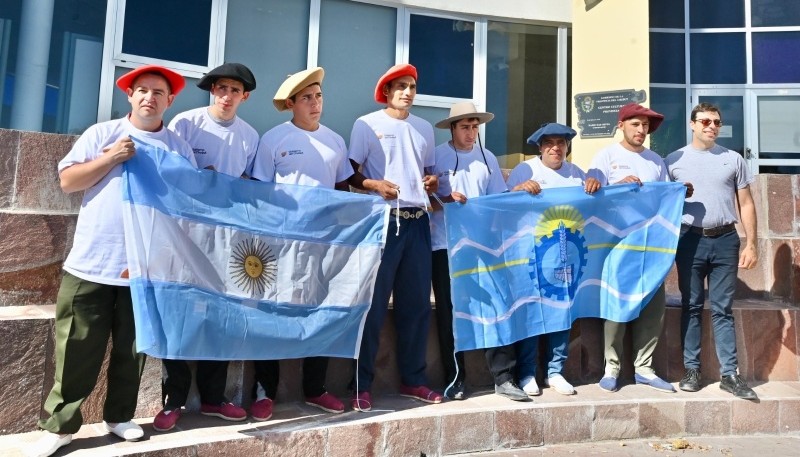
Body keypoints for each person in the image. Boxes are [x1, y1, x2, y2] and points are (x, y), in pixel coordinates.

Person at [30, 65, 197, 457]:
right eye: (142, 90)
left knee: (132, 349)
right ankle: (60, 425)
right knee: (76, 346)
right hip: (92, 262)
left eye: (158, 92)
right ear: (130, 95)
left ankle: (120, 416)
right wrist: (111, 158)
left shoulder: (178, 148)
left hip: (145, 268)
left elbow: (187, 205)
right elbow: (69, 182)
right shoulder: (102, 133)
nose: (149, 98)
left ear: (169, 100)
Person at [153, 63, 259, 432]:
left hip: (226, 236)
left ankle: (214, 398)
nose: (226, 96)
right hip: (183, 232)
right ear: (211, 91)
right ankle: (174, 398)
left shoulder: (249, 135)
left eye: (234, 90)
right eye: (220, 88)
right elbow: (169, 173)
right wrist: (200, 180)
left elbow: (248, 184)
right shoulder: (185, 122)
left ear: (244, 96)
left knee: (221, 313)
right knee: (179, 311)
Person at [248, 67, 350, 420]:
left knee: (319, 312)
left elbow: (342, 193)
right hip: (279, 241)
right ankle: (265, 391)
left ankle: (316, 388)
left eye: (318, 95)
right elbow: (259, 190)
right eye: (306, 97)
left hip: (322, 243)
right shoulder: (273, 139)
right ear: (291, 103)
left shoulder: (336, 141)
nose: (314, 103)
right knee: (271, 312)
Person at [347, 63, 442, 411]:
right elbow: (350, 175)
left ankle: (414, 380)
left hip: (418, 221)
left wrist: (432, 183)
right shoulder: (366, 124)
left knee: (416, 306)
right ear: (386, 91)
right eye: (400, 86)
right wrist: (374, 184)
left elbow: (428, 176)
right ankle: (361, 383)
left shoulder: (424, 128)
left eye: (412, 86)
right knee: (372, 306)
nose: (407, 92)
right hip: (382, 221)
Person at [430, 102, 529, 402]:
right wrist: (445, 199)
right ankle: (455, 378)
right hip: (444, 245)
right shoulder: (435, 156)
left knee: (496, 307)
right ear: (452, 128)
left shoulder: (488, 159)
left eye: (475, 127)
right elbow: (425, 199)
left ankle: (503, 377)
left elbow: (497, 200)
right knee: (450, 313)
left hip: (483, 246)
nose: (471, 133)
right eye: (465, 127)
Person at [666, 103, 758, 400]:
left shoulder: (732, 159)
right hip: (689, 240)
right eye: (705, 121)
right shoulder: (673, 161)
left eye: (717, 122)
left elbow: (746, 203)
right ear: (692, 124)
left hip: (726, 240)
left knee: (722, 309)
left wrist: (752, 243)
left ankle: (730, 374)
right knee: (691, 306)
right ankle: (691, 370)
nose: (711, 126)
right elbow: (663, 207)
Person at [505, 122, 601, 396]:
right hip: (532, 254)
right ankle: (526, 373)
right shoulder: (526, 169)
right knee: (532, 313)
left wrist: (596, 186)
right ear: (540, 147)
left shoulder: (576, 174)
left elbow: (595, 203)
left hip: (566, 256)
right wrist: (519, 189)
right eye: (549, 143)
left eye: (561, 143)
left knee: (562, 312)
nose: (556, 148)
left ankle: (555, 371)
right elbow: (504, 204)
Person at [587, 103, 675, 393]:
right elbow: (592, 196)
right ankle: (611, 367)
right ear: (621, 125)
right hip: (617, 244)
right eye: (635, 124)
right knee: (616, 305)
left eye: (646, 126)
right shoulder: (606, 156)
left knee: (653, 307)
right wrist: (616, 186)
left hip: (652, 245)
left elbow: (664, 199)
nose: (641, 130)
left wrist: (680, 191)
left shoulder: (655, 161)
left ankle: (644, 368)